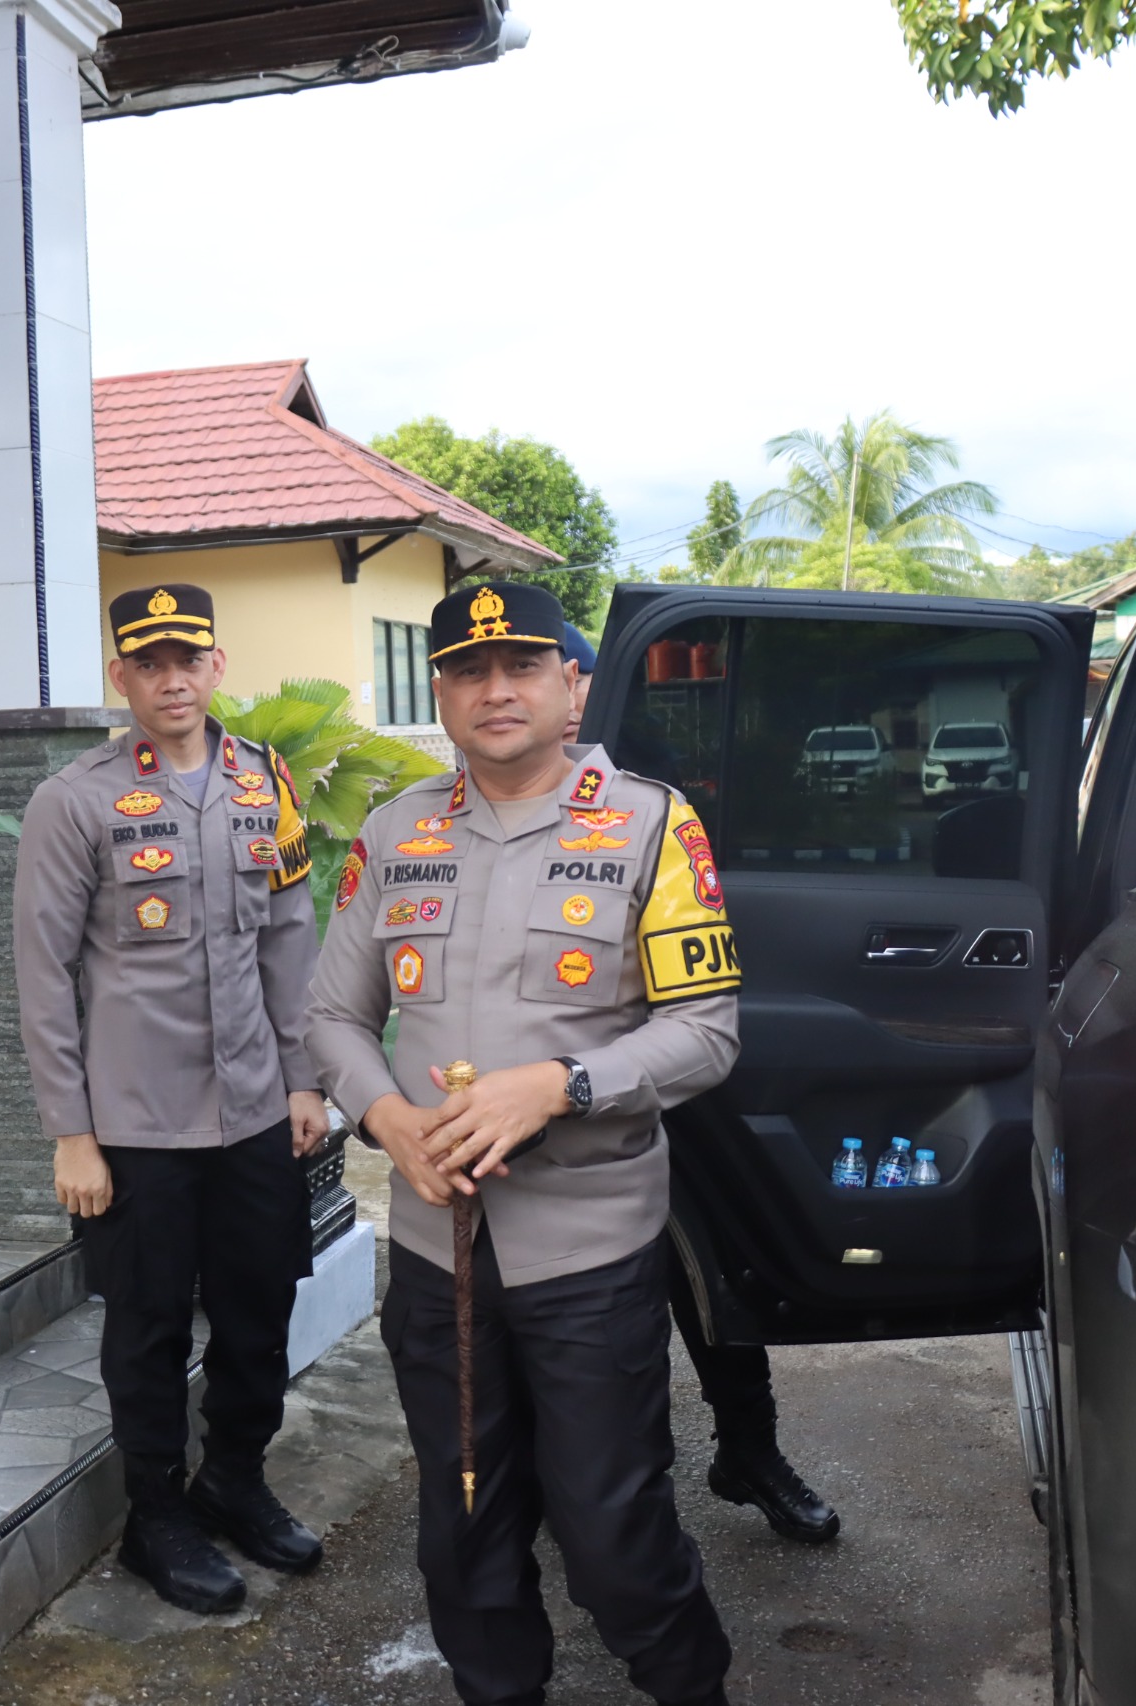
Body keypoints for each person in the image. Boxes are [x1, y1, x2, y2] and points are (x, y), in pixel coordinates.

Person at [306, 580, 744, 1706]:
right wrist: (386, 1117)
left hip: (586, 1247)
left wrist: (561, 1082)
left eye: (522, 666)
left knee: (611, 1529)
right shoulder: (397, 828)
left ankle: (689, 1684)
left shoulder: (650, 822)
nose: (494, 690)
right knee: (462, 1522)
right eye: (465, 669)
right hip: (432, 1246)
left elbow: (705, 1033)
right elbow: (329, 1017)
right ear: (441, 690)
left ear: (570, 684)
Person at [11, 583, 328, 1615]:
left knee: (259, 1309)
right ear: (122, 676)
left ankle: (232, 1477)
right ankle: (157, 1515)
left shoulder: (263, 783)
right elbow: (43, 974)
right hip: (135, 1124)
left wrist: (304, 1077)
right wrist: (71, 1131)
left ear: (216, 664)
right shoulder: (77, 799)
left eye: (187, 656)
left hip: (251, 1110)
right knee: (146, 1327)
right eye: (148, 661)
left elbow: (290, 941)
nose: (172, 676)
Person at [558, 620, 838, 1545]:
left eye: (567, 679)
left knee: (717, 1272)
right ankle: (595, 1492)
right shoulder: (467, 809)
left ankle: (748, 1452)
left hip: (677, 1063)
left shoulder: (656, 780)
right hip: (553, 1103)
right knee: (591, 1305)